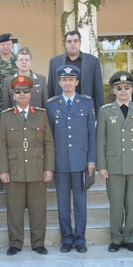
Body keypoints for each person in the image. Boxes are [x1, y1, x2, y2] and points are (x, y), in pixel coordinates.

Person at [96, 71, 133, 253]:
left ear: (131, 90)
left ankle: (130, 238)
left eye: (127, 88)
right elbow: (100, 141)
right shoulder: (105, 111)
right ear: (114, 90)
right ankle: (115, 238)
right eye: (119, 88)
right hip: (113, 165)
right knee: (115, 204)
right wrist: (102, 165)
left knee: (132, 204)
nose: (123, 91)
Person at [0, 75, 55, 255]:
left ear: (31, 94)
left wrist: (49, 168)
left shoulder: (41, 114)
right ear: (13, 95)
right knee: (14, 209)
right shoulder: (6, 116)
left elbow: (49, 143)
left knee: (38, 209)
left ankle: (38, 243)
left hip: (37, 168)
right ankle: (15, 243)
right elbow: (1, 143)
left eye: (25, 91)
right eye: (18, 92)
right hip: (14, 170)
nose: (22, 94)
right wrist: (3, 170)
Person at [46, 65, 96, 253]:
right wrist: (49, 164)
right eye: (64, 79)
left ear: (76, 82)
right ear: (59, 82)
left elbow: (92, 133)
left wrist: (91, 160)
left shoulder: (86, 103)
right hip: (60, 163)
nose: (67, 83)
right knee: (63, 203)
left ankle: (80, 239)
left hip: (81, 161)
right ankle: (66, 238)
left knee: (80, 202)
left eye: (71, 79)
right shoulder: (51, 104)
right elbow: (48, 138)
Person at [47, 30, 104, 115]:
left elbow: (98, 91)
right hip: (61, 112)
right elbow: (50, 90)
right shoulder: (54, 62)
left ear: (80, 43)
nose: (72, 44)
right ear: (65, 44)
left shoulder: (92, 62)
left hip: (85, 112)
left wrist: (98, 116)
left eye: (75, 41)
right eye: (69, 41)